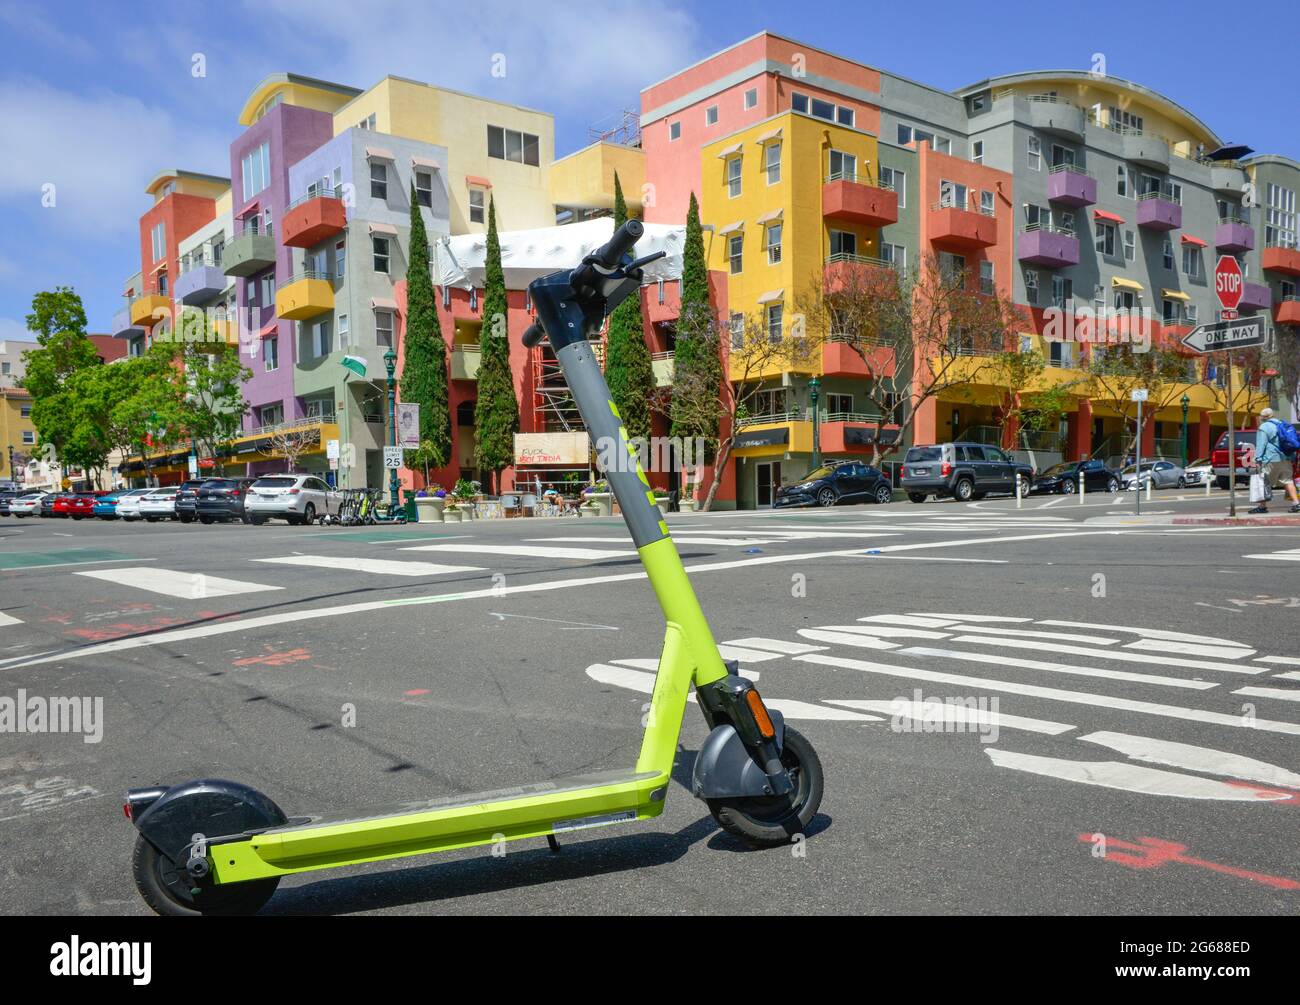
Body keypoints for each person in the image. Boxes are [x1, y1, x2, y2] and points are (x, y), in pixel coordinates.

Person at [1248, 407, 1300, 515]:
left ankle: (1262, 506)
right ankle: (1296, 503)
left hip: (1270, 459)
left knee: (1264, 481)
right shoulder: (1282, 424)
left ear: (1262, 417)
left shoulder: (1264, 427)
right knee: (1287, 480)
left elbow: (1261, 444)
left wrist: (1257, 459)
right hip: (1286, 457)